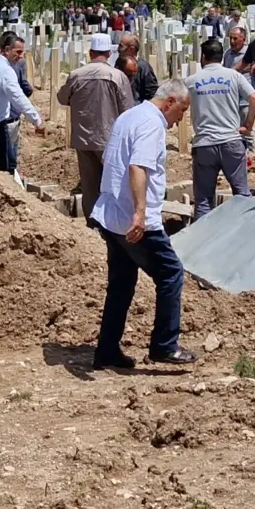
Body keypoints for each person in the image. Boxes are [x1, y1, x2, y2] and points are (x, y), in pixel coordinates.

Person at [89, 78, 199, 370]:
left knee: (121, 285)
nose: (180, 121)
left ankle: (107, 351)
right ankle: (164, 345)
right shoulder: (151, 124)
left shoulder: (131, 115)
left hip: (112, 214)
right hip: (133, 220)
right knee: (171, 273)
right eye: (182, 112)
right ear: (170, 102)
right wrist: (139, 213)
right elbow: (138, 166)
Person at [57, 33, 134, 213]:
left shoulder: (76, 75)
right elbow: (127, 109)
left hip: (83, 139)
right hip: (109, 139)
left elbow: (62, 98)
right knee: (114, 184)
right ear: (109, 53)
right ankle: (113, 224)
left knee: (89, 186)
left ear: (90, 53)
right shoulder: (117, 76)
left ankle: (92, 225)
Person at [186, 38, 255, 219]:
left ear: (203, 57)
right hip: (231, 141)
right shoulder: (234, 76)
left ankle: (203, 239)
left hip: (204, 144)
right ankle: (246, 229)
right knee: (242, 194)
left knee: (203, 199)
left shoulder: (192, 80)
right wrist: (248, 126)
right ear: (221, 56)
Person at [0, 34, 44, 174]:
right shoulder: (4, 70)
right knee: (2, 170)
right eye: (18, 52)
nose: (21, 56)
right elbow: (18, 97)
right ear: (7, 49)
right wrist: (37, 120)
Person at [117, 34, 158, 102]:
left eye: (121, 46)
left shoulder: (143, 67)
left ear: (131, 49)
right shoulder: (118, 63)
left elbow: (151, 93)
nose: (118, 49)